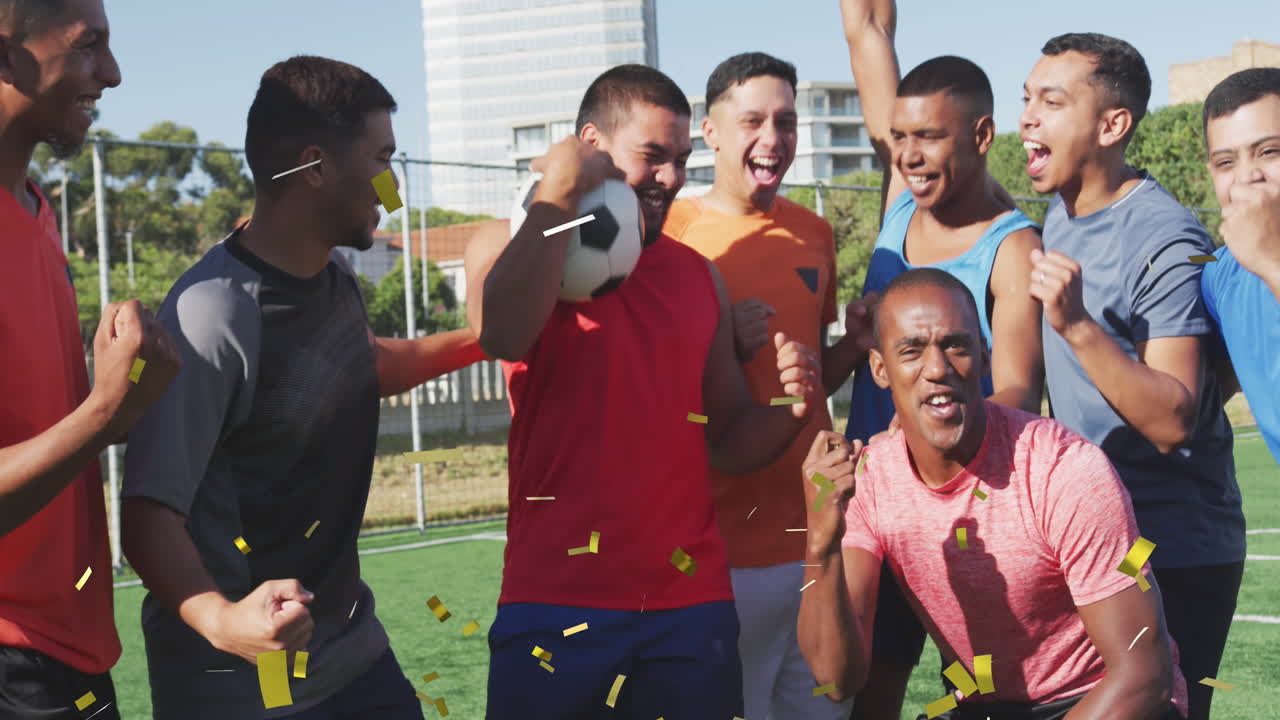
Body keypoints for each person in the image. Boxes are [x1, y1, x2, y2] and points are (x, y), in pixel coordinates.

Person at [120, 56, 487, 719]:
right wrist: (224, 621)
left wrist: (489, 337)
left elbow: (361, 365)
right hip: (246, 683)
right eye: (383, 159)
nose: (392, 184)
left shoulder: (335, 276)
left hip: (351, 650)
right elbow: (147, 517)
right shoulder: (212, 314)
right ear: (314, 167)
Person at [465, 64, 826, 720]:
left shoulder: (699, 278)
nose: (671, 178)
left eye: (681, 160)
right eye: (653, 156)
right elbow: (503, 334)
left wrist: (790, 412)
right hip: (554, 599)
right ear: (591, 145)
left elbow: (727, 438)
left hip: (690, 605)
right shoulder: (509, 242)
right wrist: (559, 191)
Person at [797, 267, 1189, 720]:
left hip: (1103, 700)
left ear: (984, 357)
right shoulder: (872, 479)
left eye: (956, 346)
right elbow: (835, 680)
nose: (937, 369)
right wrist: (820, 541)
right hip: (985, 705)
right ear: (880, 369)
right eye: (912, 351)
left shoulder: (1065, 467)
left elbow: (1144, 676)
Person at [1021, 33, 1244, 720]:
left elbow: (1172, 419)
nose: (1028, 117)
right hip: (1092, 539)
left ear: (1112, 125)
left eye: (1051, 101)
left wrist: (1077, 326)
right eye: (1027, 99)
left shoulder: (1163, 237)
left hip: (1170, 546)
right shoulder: (1060, 211)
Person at [837, 1, 1044, 714]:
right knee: (866, 689)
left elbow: (1016, 391)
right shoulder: (902, 197)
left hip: (962, 515)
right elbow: (868, 33)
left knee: (980, 692)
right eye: (900, 137)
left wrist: (920, 437)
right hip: (875, 503)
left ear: (982, 135)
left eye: (929, 136)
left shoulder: (1013, 248)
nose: (908, 154)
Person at [662, 51, 857, 720]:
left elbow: (809, 384)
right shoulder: (669, 234)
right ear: (710, 132)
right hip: (718, 552)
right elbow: (651, 386)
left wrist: (854, 345)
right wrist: (717, 340)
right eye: (752, 120)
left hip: (817, 539)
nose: (772, 137)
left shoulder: (815, 234)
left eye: (786, 121)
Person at [0, 1, 180, 718]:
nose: (113, 73)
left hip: (64, 651)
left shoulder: (36, 208)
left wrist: (121, 402)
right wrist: (104, 411)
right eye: (87, 45)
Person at [1199, 67, 1280, 466]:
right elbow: (1210, 385)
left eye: (1269, 151)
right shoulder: (1220, 274)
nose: (1248, 177)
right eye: (1226, 162)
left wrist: (1270, 262)